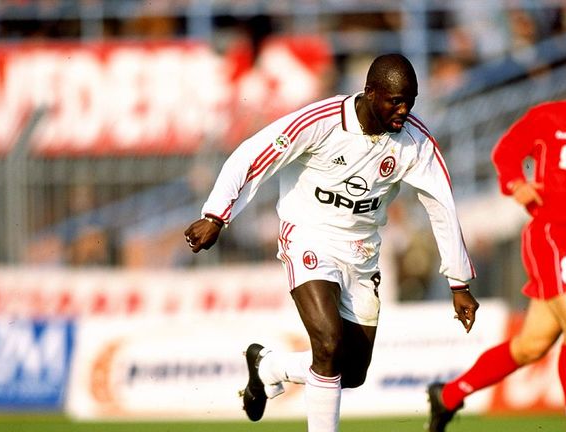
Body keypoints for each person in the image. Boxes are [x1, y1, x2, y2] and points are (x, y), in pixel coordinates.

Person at [184, 53, 480, 432]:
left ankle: (268, 366)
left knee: (350, 372)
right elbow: (253, 154)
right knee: (327, 342)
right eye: (395, 100)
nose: (403, 110)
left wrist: (459, 282)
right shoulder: (321, 122)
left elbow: (442, 204)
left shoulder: (415, 141)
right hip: (309, 235)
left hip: (362, 253)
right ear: (370, 92)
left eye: (411, 100)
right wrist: (216, 215)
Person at [426, 40, 566, 432]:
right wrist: (516, 182)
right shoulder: (550, 118)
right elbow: (507, 152)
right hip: (552, 232)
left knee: (531, 345)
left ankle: (447, 395)